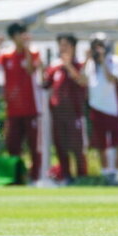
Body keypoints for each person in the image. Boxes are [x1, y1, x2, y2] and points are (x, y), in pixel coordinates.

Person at [0, 22, 43, 182]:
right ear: (13, 37)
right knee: (12, 144)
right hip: (13, 109)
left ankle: (36, 176)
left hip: (31, 109)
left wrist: (28, 48)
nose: (22, 38)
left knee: (34, 145)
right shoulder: (6, 55)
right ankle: (17, 177)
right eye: (19, 35)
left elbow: (30, 69)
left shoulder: (33, 52)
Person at [85, 32, 118, 186]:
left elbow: (111, 78)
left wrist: (103, 61)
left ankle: (115, 174)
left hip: (114, 109)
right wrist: (88, 59)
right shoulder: (90, 64)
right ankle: (105, 174)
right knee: (101, 145)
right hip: (97, 108)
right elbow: (84, 81)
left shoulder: (114, 60)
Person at [43, 34, 89, 183]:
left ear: (73, 47)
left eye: (66, 45)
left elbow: (82, 81)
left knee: (77, 148)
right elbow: (45, 84)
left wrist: (68, 65)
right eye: (60, 45)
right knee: (61, 147)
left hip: (74, 114)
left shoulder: (80, 64)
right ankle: (66, 176)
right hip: (57, 115)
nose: (62, 49)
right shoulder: (55, 67)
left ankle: (82, 177)